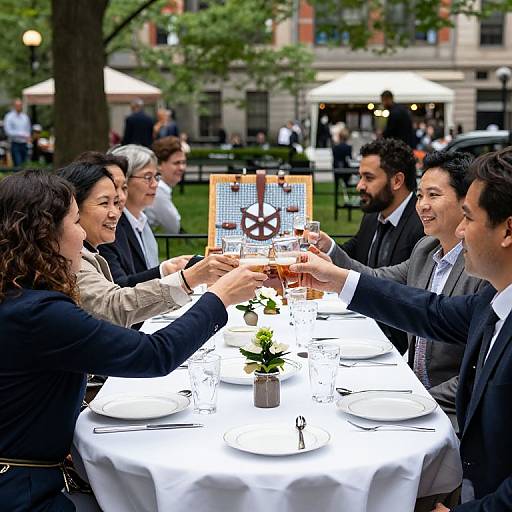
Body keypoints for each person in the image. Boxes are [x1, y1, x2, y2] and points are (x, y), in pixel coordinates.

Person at [0, 169, 267, 511]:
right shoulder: (39, 314)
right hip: (24, 494)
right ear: (45, 234)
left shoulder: (19, 296)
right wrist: (218, 298)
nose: (82, 235)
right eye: (76, 221)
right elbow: (155, 355)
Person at [292, 147, 512, 512]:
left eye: (469, 219)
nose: (460, 229)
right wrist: (335, 279)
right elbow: (427, 311)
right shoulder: (493, 300)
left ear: (507, 230)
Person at [315, 151, 485, 426]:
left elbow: (475, 373)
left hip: (447, 414)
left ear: (466, 202)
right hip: (412, 392)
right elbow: (378, 281)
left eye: (433, 195)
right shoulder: (426, 249)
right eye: (419, 196)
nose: (422, 206)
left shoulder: (482, 269)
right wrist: (331, 255)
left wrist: (418, 398)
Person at [60, 160, 229, 328]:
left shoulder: (96, 246)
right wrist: (191, 279)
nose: (116, 213)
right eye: (105, 203)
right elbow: (115, 306)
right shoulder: (72, 259)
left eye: (116, 203)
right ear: (73, 209)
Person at [315, 138, 424, 353]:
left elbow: (394, 288)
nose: (359, 185)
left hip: (395, 342)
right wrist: (325, 247)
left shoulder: (422, 225)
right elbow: (355, 249)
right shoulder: (374, 213)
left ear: (397, 181)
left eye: (368, 178)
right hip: (362, 322)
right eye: (360, 176)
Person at [145, 136, 186, 234]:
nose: (182, 167)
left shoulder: (157, 188)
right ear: (159, 165)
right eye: (176, 163)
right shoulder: (157, 192)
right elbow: (174, 228)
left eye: (184, 162)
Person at [3, 98, 31, 167]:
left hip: (24, 144)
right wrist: (20, 134)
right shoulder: (9, 117)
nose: (19, 106)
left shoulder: (25, 117)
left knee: (25, 165)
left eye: (20, 105)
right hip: (15, 144)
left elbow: (28, 129)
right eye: (17, 105)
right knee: (18, 165)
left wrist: (28, 136)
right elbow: (8, 131)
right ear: (14, 106)